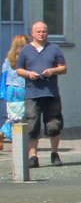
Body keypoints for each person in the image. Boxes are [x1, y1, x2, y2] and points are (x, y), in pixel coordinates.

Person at [14, 21, 68, 167]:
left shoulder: (54, 48)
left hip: (50, 92)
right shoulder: (26, 50)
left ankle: (54, 154)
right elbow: (18, 69)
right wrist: (28, 74)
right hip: (32, 93)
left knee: (54, 125)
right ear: (33, 33)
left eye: (44, 31)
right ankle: (33, 156)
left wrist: (53, 71)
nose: (42, 34)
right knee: (32, 125)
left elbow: (63, 68)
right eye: (39, 31)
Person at [1, 34, 30, 150]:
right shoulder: (26, 58)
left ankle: (10, 135)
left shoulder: (8, 59)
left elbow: (4, 75)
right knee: (21, 115)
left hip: (10, 90)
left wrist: (2, 90)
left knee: (13, 115)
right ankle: (5, 133)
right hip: (22, 88)